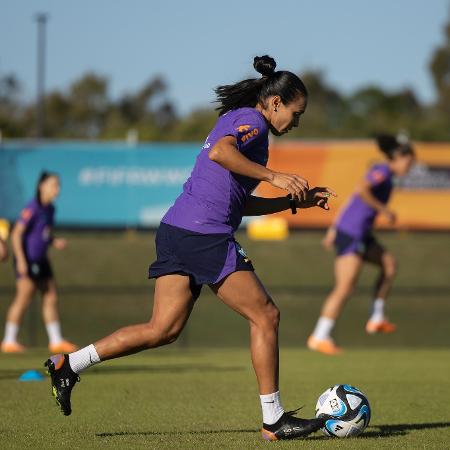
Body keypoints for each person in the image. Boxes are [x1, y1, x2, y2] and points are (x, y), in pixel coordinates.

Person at [44, 55, 335, 441]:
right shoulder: (252, 122)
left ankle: (70, 364)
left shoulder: (247, 128)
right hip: (204, 235)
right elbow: (220, 153)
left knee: (162, 329)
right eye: (296, 114)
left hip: (177, 230)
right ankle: (274, 419)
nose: (295, 123)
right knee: (266, 316)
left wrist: (294, 201)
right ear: (276, 103)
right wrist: (275, 176)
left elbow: (240, 202)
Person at [307, 134, 415, 355]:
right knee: (345, 286)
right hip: (352, 232)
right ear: (398, 158)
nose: (410, 167)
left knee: (389, 265)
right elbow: (361, 189)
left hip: (359, 232)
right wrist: (383, 210)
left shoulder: (389, 175)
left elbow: (351, 200)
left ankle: (376, 317)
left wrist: (333, 227)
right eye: (409, 162)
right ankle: (319, 336)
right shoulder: (383, 170)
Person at [1, 171, 77, 354]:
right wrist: (20, 260)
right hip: (28, 260)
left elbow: (41, 233)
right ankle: (9, 340)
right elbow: (17, 234)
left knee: (50, 296)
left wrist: (53, 241)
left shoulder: (50, 209)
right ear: (41, 186)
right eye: (53, 184)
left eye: (58, 185)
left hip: (42, 259)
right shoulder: (32, 207)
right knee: (24, 297)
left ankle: (56, 341)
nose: (56, 189)